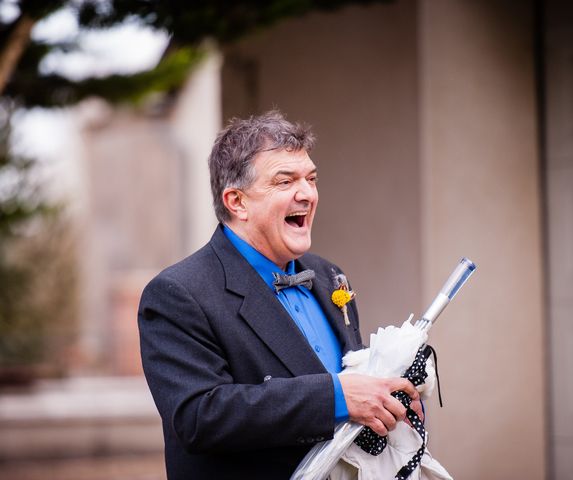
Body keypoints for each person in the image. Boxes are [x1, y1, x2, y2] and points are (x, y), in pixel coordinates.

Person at [138, 111, 419, 479]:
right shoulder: (177, 294)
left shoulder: (329, 276)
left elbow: (352, 382)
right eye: (285, 181)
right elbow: (198, 417)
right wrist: (336, 398)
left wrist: (387, 400)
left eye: (311, 179)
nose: (307, 193)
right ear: (237, 202)